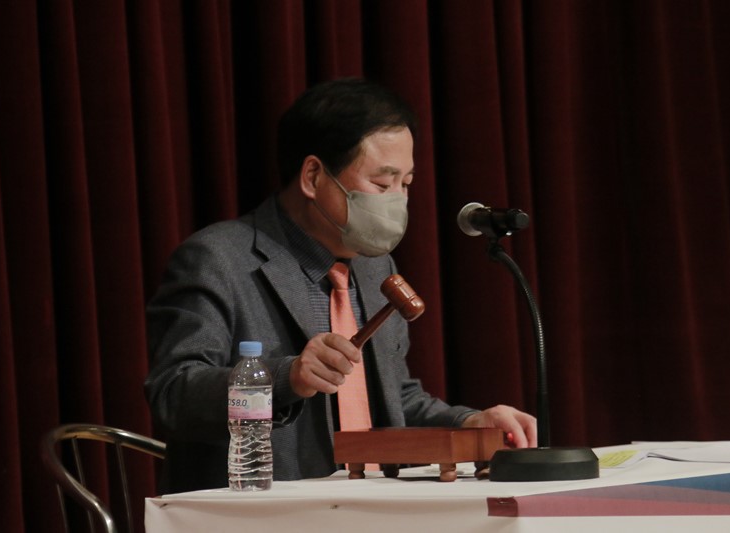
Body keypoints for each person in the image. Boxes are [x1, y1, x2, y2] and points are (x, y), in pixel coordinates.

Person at [144, 77, 537, 493]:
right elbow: (172, 393)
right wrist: (286, 377)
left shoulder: (375, 266)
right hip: (266, 508)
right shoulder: (218, 259)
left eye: (405, 184)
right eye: (382, 184)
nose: (397, 200)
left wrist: (468, 422)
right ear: (314, 176)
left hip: (375, 506)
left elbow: (391, 400)